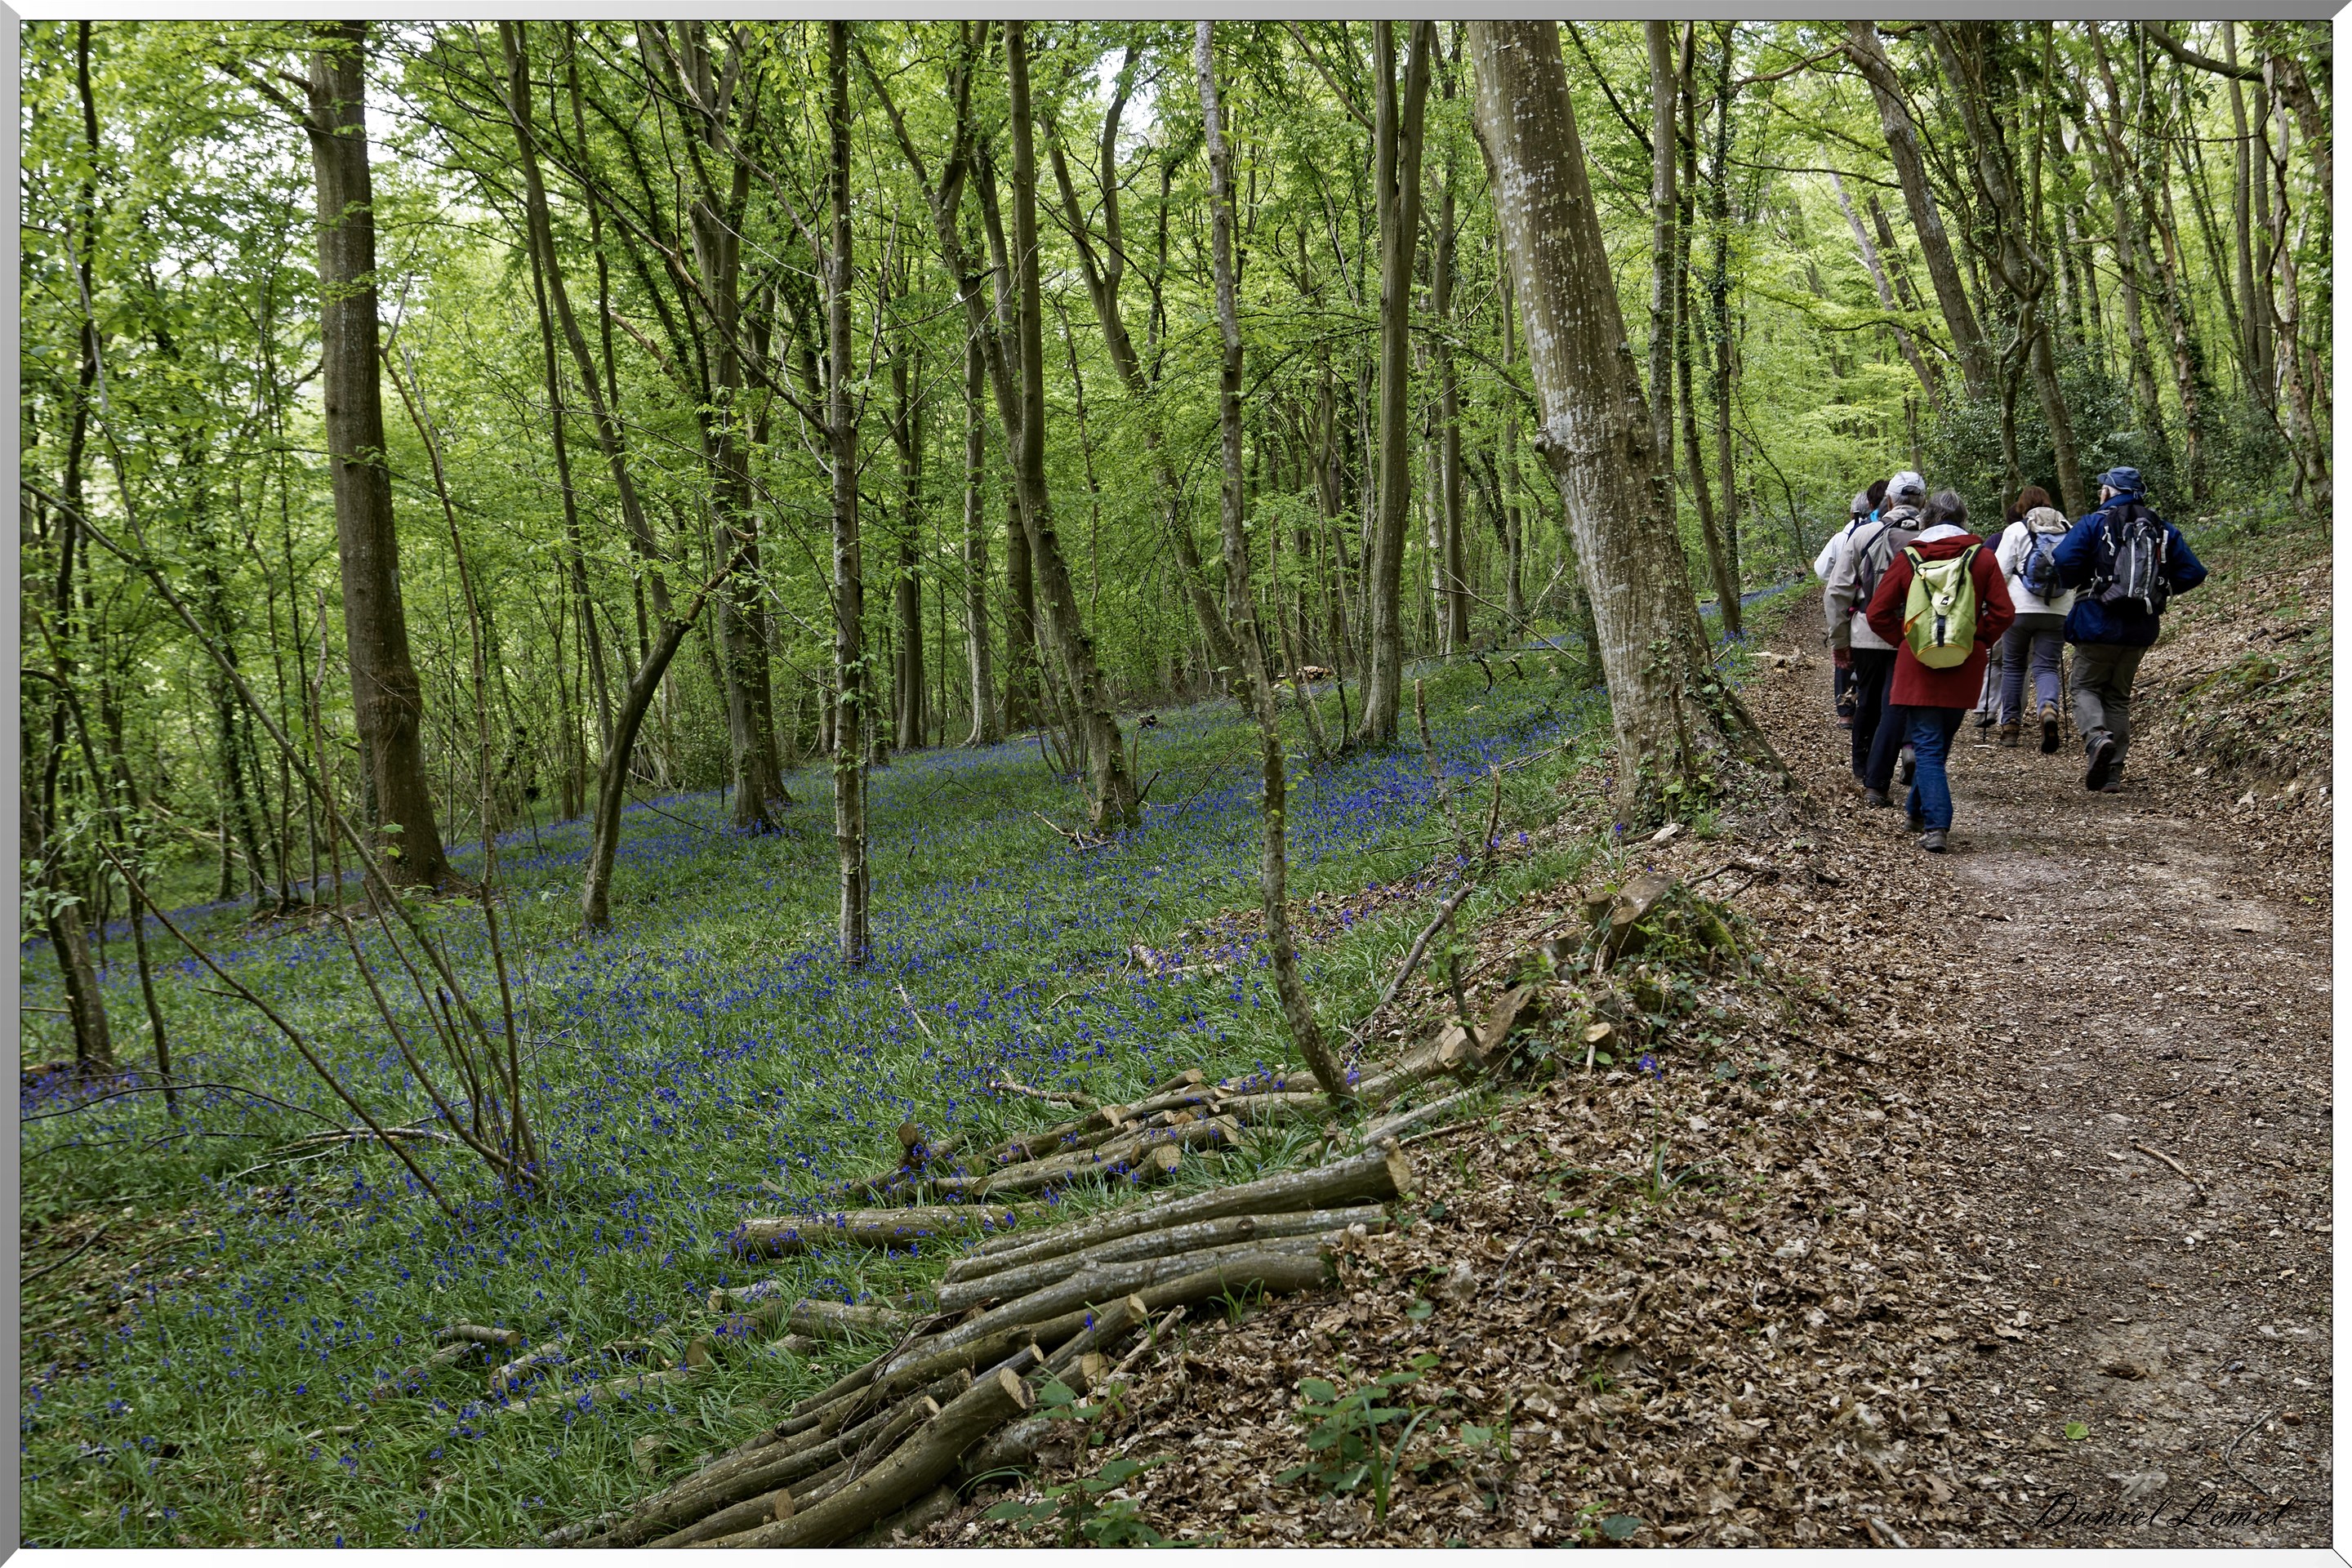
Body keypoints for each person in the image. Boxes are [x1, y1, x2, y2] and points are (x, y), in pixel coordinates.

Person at [1864, 489, 2015, 852]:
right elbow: (2005, 612)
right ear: (1963, 520)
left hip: (1917, 663)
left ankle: (1936, 824)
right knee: (1938, 743)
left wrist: (1908, 641)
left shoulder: (1910, 557)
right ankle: (1917, 813)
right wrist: (1977, 639)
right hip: (1964, 662)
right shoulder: (1982, 559)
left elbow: (1877, 613)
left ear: (1927, 520)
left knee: (1929, 746)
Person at [2051, 466, 2207, 792]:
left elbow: (2064, 558)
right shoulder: (2162, 530)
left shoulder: (2094, 523)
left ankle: (2096, 739)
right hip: (2141, 625)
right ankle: (2113, 772)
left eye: (2102, 488)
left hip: (2096, 619)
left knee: (2084, 687)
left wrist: (2082, 581)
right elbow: (2194, 572)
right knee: (2118, 697)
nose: (2099, 494)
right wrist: (2159, 588)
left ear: (2110, 491)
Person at [1824, 470, 1925, 799]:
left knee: (1868, 699)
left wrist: (1840, 641)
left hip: (1866, 630)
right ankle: (1891, 766)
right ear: (1922, 501)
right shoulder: (1932, 537)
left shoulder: (1864, 534)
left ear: (1889, 500)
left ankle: (1863, 766)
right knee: (1897, 702)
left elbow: (1837, 591)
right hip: (1913, 634)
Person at [1991, 485, 2074, 751]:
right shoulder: (2068, 529)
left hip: (2018, 609)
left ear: (2022, 507)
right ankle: (2048, 707)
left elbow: (1999, 571)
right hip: (2057, 610)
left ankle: (2010, 727)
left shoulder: (2016, 530)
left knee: (2014, 666)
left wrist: (1994, 604)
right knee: (2046, 666)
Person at [1815, 479, 1887, 729]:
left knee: (1845, 659)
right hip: (1884, 612)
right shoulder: (1899, 532)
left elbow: (1822, 569)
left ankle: (1846, 712)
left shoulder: (1844, 536)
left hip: (1851, 608)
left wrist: (1840, 578)